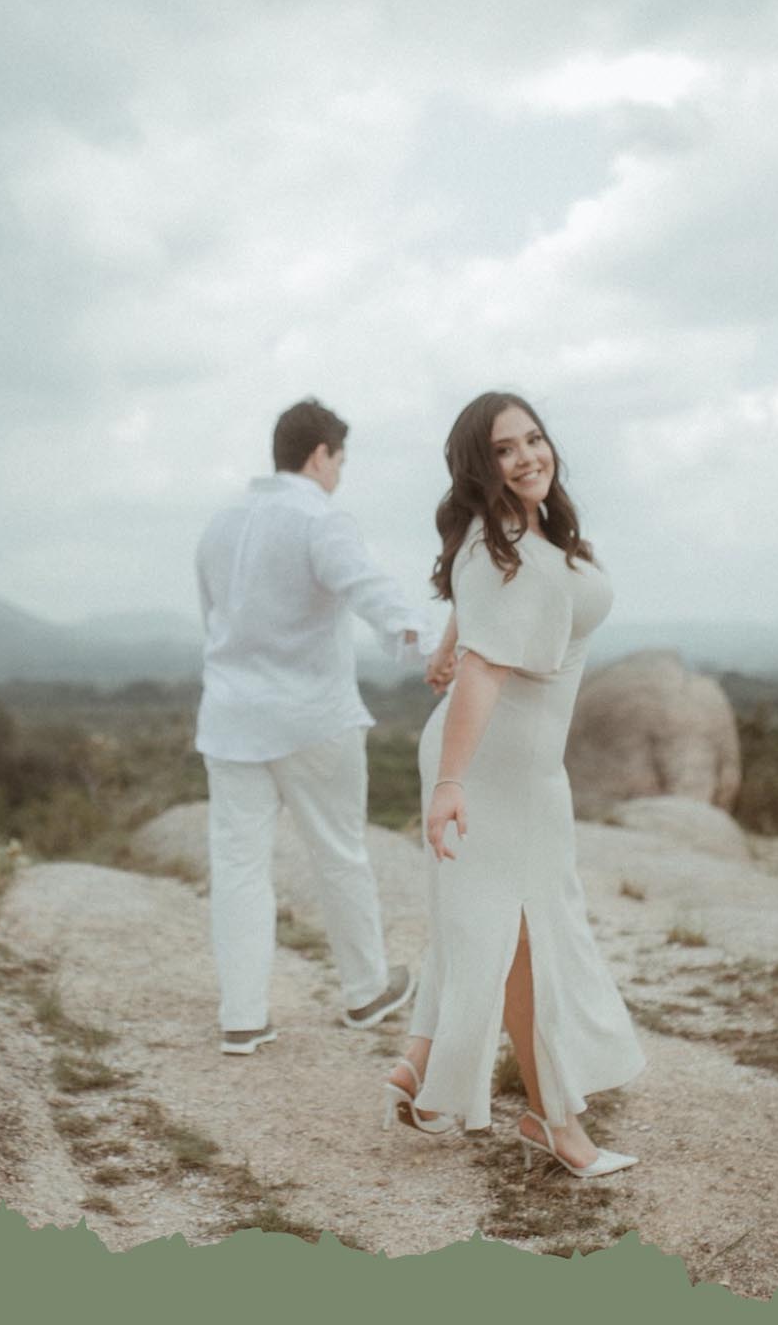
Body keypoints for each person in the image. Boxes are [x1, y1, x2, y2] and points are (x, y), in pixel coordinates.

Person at [384, 392, 646, 1176]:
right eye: (505, 449)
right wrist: (451, 782)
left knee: (492, 924)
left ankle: (427, 1061)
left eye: (534, 438)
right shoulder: (511, 552)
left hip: (515, 764)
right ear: (481, 465)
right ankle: (554, 1122)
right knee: (525, 941)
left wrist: (447, 641)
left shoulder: (502, 537)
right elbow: (486, 671)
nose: (528, 456)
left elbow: (477, 618)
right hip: (496, 768)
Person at [195, 397, 436, 1053]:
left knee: (238, 868)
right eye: (340, 462)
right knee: (339, 854)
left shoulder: (219, 526)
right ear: (319, 455)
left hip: (231, 719)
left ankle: (242, 1017)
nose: (339, 476)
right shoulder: (319, 520)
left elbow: (213, 621)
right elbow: (370, 590)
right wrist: (429, 647)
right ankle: (365, 991)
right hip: (312, 718)